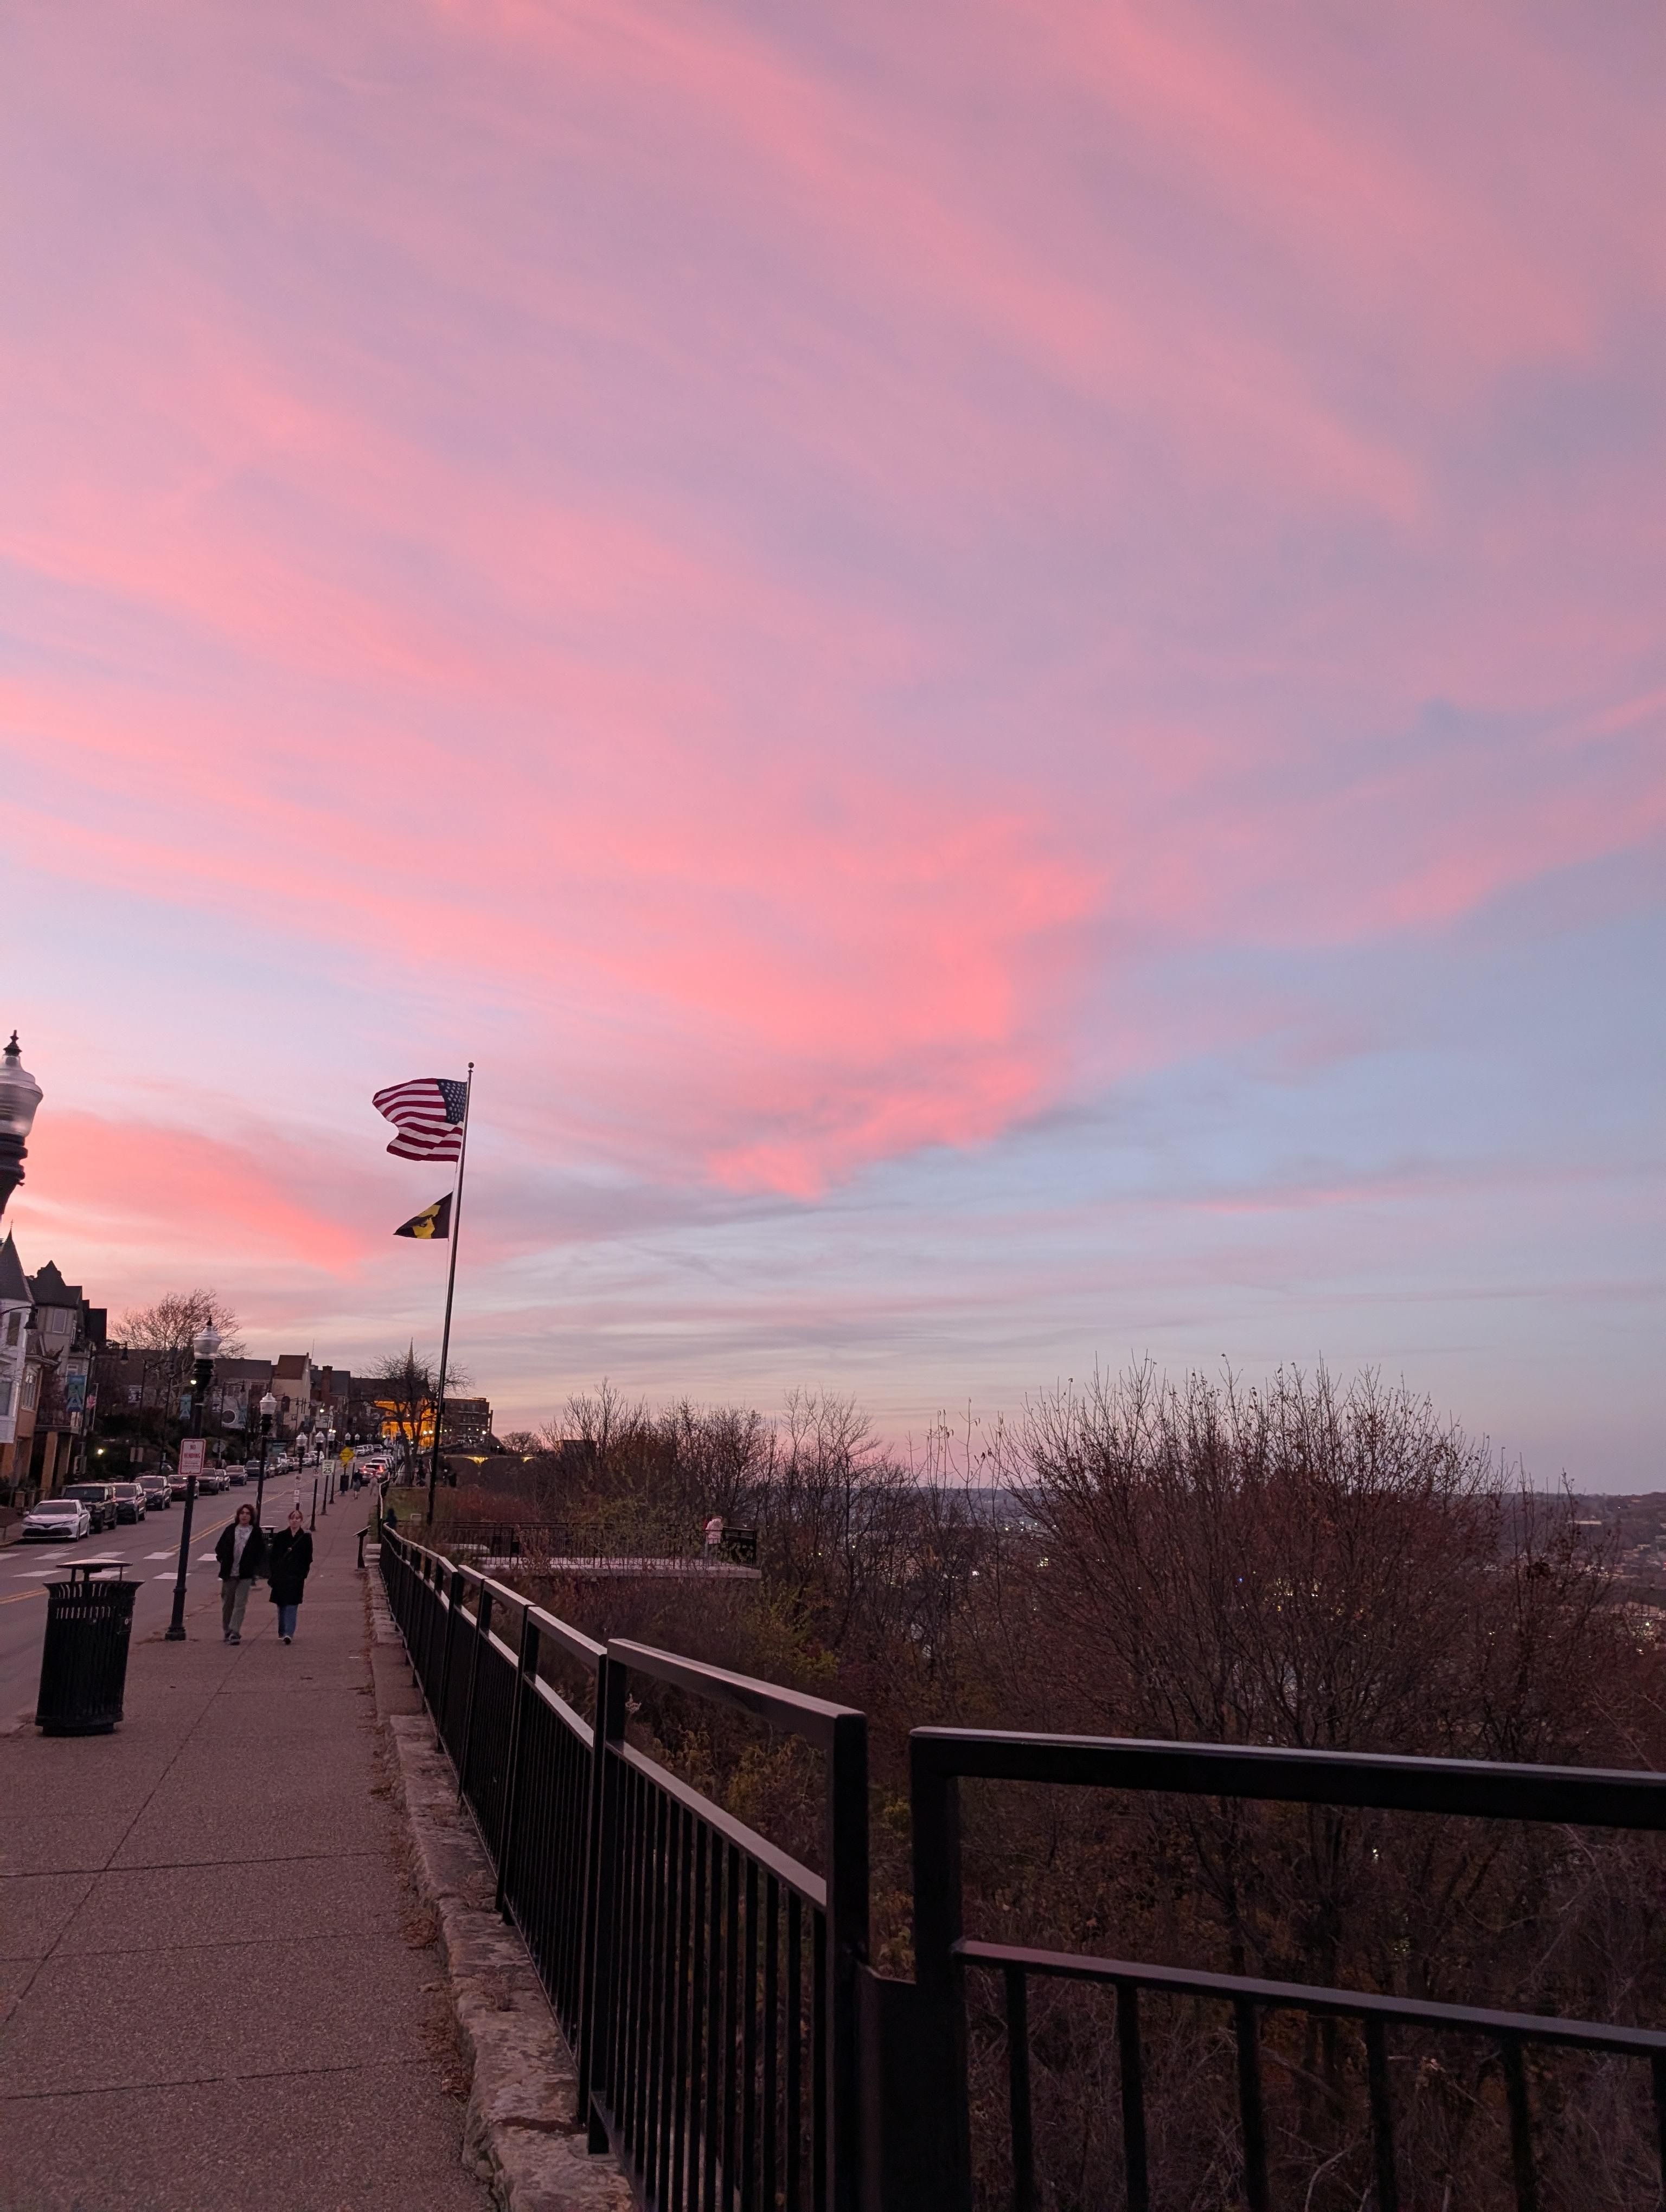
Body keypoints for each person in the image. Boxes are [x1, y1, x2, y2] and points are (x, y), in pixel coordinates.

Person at [214, 1501, 267, 1644]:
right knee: (228, 1604)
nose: (244, 1516)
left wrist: (253, 1566)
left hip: (245, 1574)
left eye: (248, 1514)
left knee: (240, 1603)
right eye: (242, 1513)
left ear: (252, 1517)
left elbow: (260, 1551)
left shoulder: (255, 1532)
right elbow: (219, 1548)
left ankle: (235, 1632)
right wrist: (223, 1560)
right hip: (229, 1573)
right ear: (238, 1515)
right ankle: (227, 1630)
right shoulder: (231, 1530)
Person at [267, 1505, 314, 1644]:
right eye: (292, 1518)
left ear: (301, 1521)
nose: (295, 1521)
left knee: (292, 1604)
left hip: (296, 1576)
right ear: (289, 1520)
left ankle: (289, 1633)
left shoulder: (305, 1538)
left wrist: (303, 1574)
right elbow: (274, 1556)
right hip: (281, 1576)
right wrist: (275, 1571)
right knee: (281, 1604)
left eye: (297, 1518)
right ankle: (282, 1631)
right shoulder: (281, 1536)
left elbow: (308, 1558)